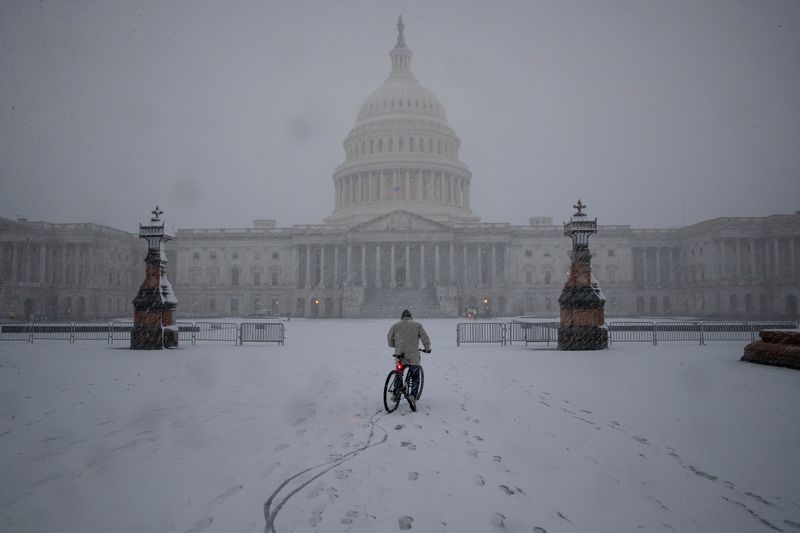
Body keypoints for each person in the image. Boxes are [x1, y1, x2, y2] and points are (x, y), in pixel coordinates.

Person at [387, 309, 431, 409]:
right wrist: (427, 348)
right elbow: (425, 338)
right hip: (413, 356)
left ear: (401, 317)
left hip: (400, 355)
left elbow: (389, 339)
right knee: (415, 376)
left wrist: (396, 345)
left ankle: (395, 393)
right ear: (411, 317)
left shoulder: (395, 326)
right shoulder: (417, 325)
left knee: (399, 373)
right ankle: (413, 396)